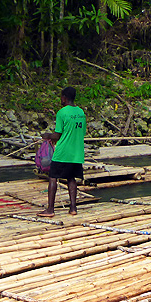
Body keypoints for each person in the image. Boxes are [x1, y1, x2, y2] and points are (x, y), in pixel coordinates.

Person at [37, 86, 86, 218]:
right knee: (71, 178)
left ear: (64, 98)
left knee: (53, 177)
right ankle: (73, 208)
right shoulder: (81, 112)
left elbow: (57, 135)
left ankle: (50, 209)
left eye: (61, 97)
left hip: (63, 152)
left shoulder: (62, 113)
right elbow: (82, 132)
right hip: (77, 153)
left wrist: (47, 135)